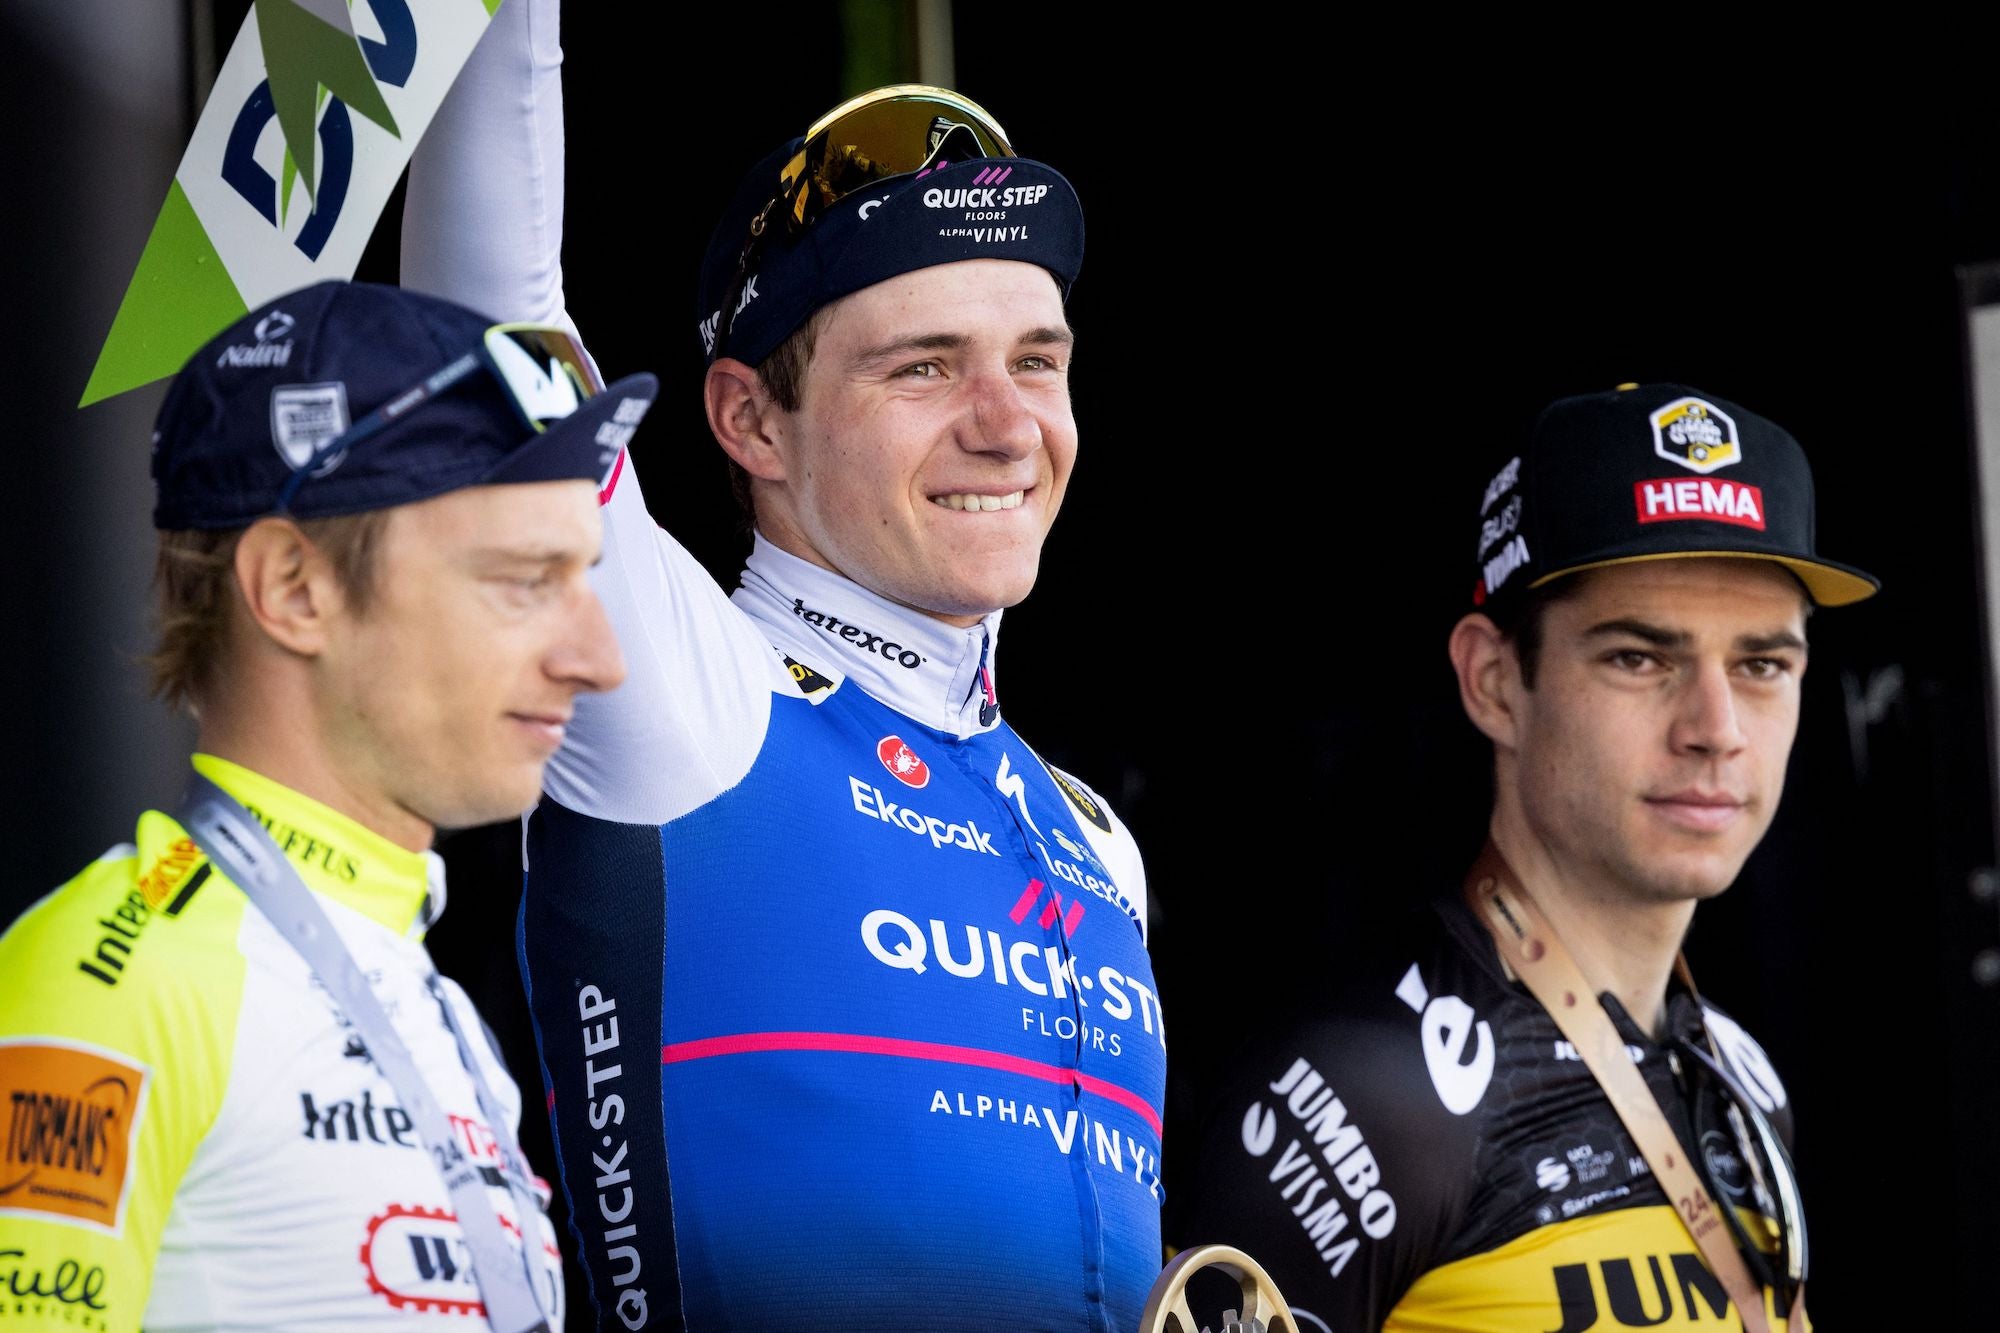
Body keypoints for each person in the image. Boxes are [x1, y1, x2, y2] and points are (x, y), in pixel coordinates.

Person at [398, 6, 1164, 1329]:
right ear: (750, 419)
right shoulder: (694, 701)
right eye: (924, 368)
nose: (1008, 425)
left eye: (1038, 362)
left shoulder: (1096, 839)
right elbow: (492, 325)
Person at [0, 277, 656, 1330]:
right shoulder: (113, 978)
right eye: (525, 582)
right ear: (296, 591)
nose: (599, 658)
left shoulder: (424, 994)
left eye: (583, 579)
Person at [1165, 383, 1874, 1331]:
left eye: (1762, 665)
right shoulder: (1364, 1104)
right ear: (1495, 682)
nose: (1718, 728)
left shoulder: (1745, 1084)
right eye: (1639, 657)